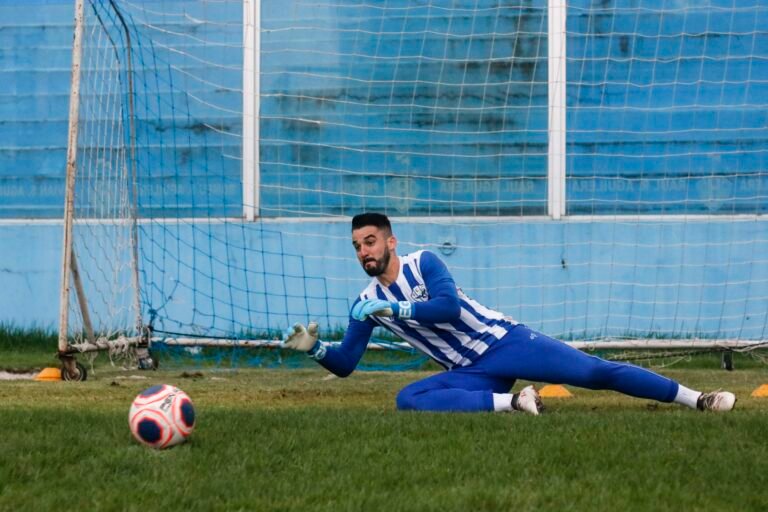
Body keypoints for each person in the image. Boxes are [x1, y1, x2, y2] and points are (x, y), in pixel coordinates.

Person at [283, 212, 736, 414]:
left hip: (505, 342)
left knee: (595, 372)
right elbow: (345, 365)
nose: (364, 251)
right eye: (357, 246)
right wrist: (315, 348)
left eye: (371, 242)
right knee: (408, 399)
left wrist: (399, 306)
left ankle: (698, 399)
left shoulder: (424, 262)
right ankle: (514, 403)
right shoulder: (364, 305)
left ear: (390, 241)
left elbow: (448, 307)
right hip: (471, 372)